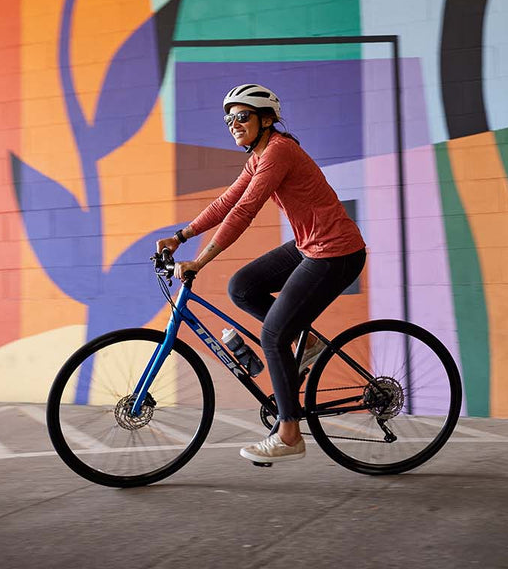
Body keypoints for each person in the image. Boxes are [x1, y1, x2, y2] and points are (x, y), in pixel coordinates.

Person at [157, 83, 366, 464]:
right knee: (243, 286)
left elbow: (244, 211)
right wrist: (180, 236)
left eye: (242, 116)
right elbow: (227, 201)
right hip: (310, 246)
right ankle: (311, 344)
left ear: (266, 120)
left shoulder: (279, 151)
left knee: (272, 337)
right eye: (228, 119)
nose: (233, 124)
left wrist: (200, 261)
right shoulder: (259, 156)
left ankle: (289, 434)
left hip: (335, 252)